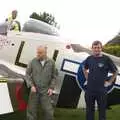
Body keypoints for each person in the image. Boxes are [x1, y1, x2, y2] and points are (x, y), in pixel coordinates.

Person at [83, 40, 118, 120]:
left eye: (98, 47)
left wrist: (109, 82)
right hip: (90, 90)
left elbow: (116, 71)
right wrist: (87, 78)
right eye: (95, 48)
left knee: (102, 112)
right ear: (92, 48)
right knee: (89, 111)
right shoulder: (89, 58)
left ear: (101, 48)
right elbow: (84, 68)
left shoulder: (106, 59)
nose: (96, 49)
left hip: (101, 91)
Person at [25, 45, 57, 120]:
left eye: (40, 53)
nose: (38, 54)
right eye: (37, 52)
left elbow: (54, 76)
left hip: (45, 90)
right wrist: (31, 85)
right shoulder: (33, 61)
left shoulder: (51, 62)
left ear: (45, 53)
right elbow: (27, 74)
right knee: (31, 110)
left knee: (48, 111)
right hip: (34, 89)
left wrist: (51, 88)